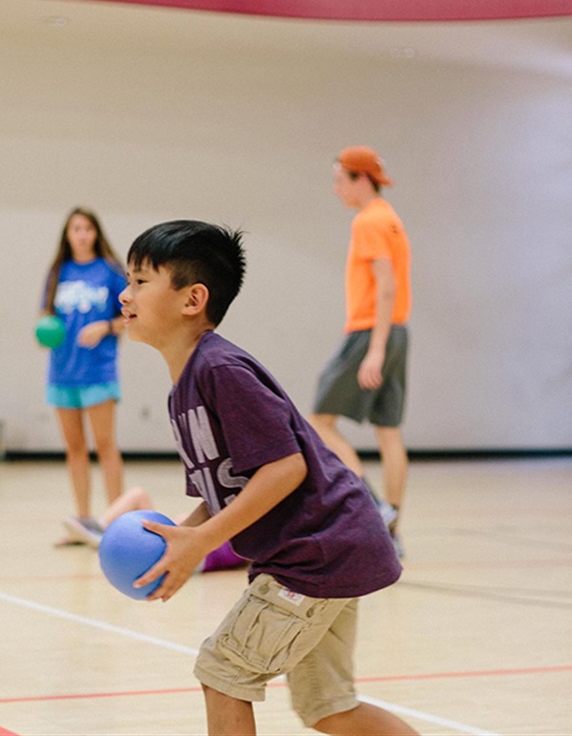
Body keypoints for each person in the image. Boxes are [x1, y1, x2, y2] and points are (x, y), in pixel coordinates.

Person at [117, 220, 415, 736]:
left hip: (317, 553)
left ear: (192, 299)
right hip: (327, 549)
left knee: (222, 672)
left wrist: (201, 542)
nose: (125, 294)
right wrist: (183, 543)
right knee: (328, 707)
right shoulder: (184, 389)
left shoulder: (220, 370)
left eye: (141, 281)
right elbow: (225, 490)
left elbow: (285, 468)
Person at [308, 146, 411, 557]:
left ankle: (370, 505)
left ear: (360, 179)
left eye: (339, 180)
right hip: (397, 330)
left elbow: (386, 286)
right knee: (388, 431)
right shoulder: (391, 219)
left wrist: (375, 349)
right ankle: (393, 527)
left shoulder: (369, 221)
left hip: (371, 331)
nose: (336, 190)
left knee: (319, 420)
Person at [40, 207, 127, 544]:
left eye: (87, 228)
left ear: (96, 233)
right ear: (68, 234)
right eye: (76, 228)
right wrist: (44, 329)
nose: (82, 234)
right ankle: (83, 521)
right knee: (74, 447)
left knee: (105, 446)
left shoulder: (109, 271)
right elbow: (45, 314)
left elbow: (131, 316)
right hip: (62, 372)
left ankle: (117, 521)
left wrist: (105, 326)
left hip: (98, 370)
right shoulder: (57, 272)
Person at [68, 486, 248, 573]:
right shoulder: (244, 537)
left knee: (139, 495)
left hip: (188, 553)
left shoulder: (244, 539)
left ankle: (103, 532)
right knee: (140, 496)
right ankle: (101, 530)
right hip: (190, 548)